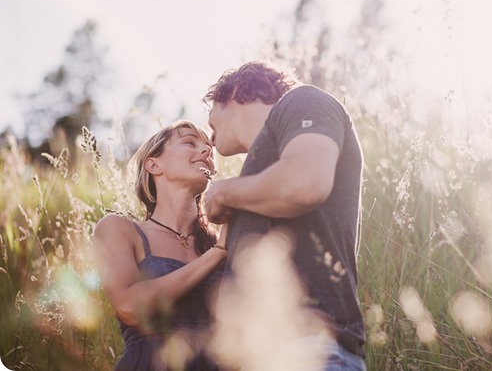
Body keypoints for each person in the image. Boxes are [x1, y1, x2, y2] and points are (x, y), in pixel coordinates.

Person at [203, 61, 366, 370]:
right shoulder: (258, 181)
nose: (209, 138)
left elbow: (304, 184)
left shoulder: (303, 100)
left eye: (211, 116)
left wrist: (223, 192)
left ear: (235, 92)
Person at [93, 120, 228, 371]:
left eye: (208, 146)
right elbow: (130, 307)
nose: (208, 151)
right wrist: (217, 255)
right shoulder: (119, 229)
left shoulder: (225, 236)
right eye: (190, 142)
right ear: (154, 165)